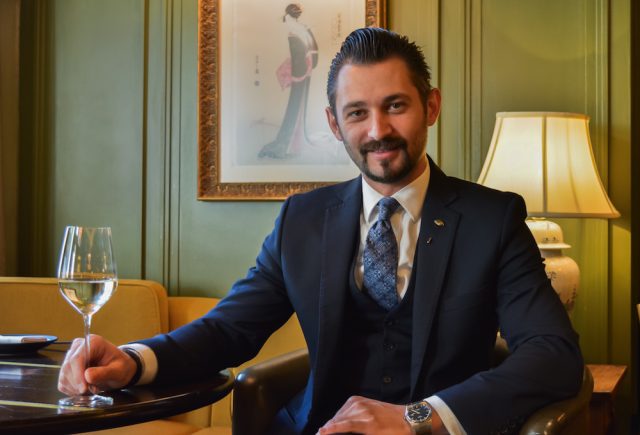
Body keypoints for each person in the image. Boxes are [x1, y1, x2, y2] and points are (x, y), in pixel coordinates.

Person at [58, 28, 583, 434]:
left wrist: (418, 418)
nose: (377, 131)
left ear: (431, 107)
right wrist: (132, 360)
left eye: (395, 105)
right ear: (335, 124)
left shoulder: (493, 219)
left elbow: (553, 354)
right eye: (357, 113)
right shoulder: (302, 219)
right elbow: (228, 330)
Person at [258, 3, 318, 159]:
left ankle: (289, 145)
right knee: (298, 105)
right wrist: (309, 65)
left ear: (288, 15)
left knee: (295, 106)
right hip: (306, 68)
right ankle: (295, 145)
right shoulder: (304, 28)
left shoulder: (293, 30)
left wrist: (297, 73)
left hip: (301, 70)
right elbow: (313, 50)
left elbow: (299, 54)